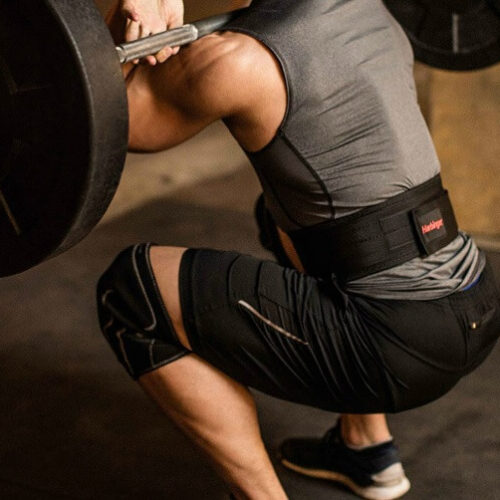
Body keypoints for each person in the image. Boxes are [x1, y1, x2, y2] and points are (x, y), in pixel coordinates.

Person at [98, 1, 500, 499]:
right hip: (476, 296)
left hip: (393, 345)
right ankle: (365, 447)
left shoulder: (234, 61)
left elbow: (110, 119)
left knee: (132, 291)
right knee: (281, 217)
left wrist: (128, 21)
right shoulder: (376, 11)